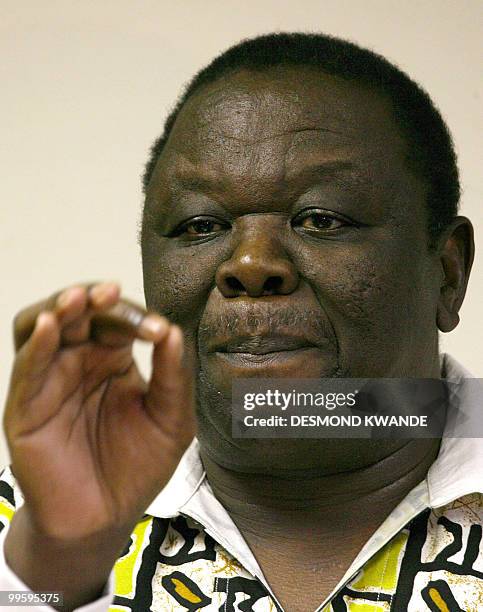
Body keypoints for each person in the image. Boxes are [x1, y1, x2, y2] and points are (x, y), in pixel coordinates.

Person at [0, 32, 480, 612]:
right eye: (200, 225)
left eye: (321, 219)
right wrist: (63, 558)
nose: (251, 264)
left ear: (447, 274)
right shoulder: (30, 524)